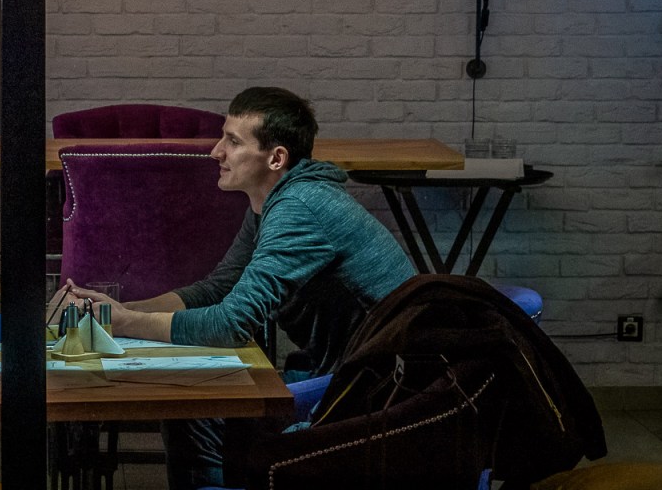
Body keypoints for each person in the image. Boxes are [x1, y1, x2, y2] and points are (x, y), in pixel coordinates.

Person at [68, 86, 416, 490]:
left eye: (232, 142)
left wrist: (124, 323)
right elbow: (218, 287)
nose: (216, 152)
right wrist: (123, 308)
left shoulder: (298, 207)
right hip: (346, 375)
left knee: (194, 404)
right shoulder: (272, 201)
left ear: (276, 158)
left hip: (376, 391)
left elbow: (232, 324)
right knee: (194, 398)